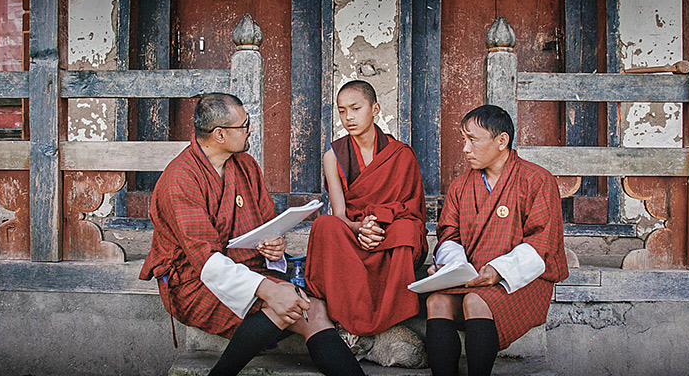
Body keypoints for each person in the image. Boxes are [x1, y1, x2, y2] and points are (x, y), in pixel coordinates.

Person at [139, 93, 365, 376]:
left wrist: (274, 247)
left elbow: (268, 224)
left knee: (315, 308)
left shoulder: (245, 165)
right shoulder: (180, 180)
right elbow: (206, 261)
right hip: (194, 281)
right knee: (284, 303)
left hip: (248, 266)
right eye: (244, 125)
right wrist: (269, 289)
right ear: (220, 134)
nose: (251, 130)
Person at [424, 105, 568, 376]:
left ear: (502, 141)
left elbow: (543, 242)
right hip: (473, 275)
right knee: (436, 302)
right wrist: (455, 267)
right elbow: (448, 234)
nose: (465, 148)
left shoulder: (537, 180)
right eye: (464, 139)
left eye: (473, 140)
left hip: (524, 278)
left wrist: (498, 271)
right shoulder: (461, 186)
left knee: (476, 302)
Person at [305, 80, 428, 338]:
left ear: (375, 109)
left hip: (389, 229)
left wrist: (378, 224)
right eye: (341, 111)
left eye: (355, 108)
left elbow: (410, 208)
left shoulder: (401, 154)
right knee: (324, 225)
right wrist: (360, 227)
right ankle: (349, 315)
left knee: (406, 230)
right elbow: (340, 215)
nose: (348, 117)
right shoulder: (333, 155)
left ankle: (389, 317)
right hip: (356, 231)